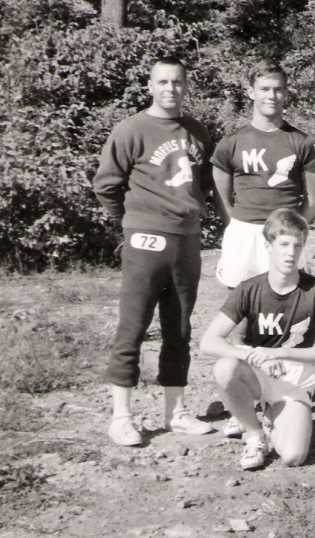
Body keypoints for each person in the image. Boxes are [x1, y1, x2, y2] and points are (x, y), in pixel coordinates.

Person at [93, 56, 215, 446]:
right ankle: (121, 416)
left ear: (186, 85)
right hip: (145, 238)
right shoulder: (132, 129)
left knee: (179, 327)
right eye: (163, 82)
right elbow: (107, 184)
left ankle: (175, 410)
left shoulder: (195, 131)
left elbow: (207, 183)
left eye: (177, 82)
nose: (171, 89)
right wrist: (130, 222)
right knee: (134, 325)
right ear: (149, 85)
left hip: (187, 240)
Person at [199, 209, 315, 470]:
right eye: (283, 244)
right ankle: (254, 435)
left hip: (295, 376)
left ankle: (269, 414)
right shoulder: (249, 288)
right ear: (268, 246)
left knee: (293, 457)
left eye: (297, 245)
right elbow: (209, 342)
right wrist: (254, 356)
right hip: (258, 371)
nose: (291, 252)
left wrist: (277, 354)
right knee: (225, 368)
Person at [212, 61, 315, 289]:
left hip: (285, 234)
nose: (271, 95)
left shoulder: (302, 142)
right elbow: (221, 198)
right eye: (264, 89)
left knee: (288, 304)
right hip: (245, 232)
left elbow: (313, 201)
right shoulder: (231, 143)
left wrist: (291, 228)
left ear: (285, 93)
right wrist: (238, 225)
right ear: (251, 92)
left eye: (278, 89)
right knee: (240, 308)